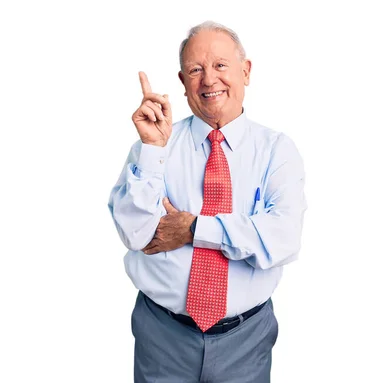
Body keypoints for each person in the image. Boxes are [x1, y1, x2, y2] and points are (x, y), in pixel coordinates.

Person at [108, 21, 307, 382]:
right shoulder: (155, 145)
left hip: (246, 338)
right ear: (183, 83)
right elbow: (136, 233)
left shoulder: (277, 151)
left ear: (245, 72)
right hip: (163, 336)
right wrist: (152, 150)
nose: (209, 80)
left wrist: (194, 229)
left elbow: (281, 239)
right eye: (195, 70)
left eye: (220, 65)